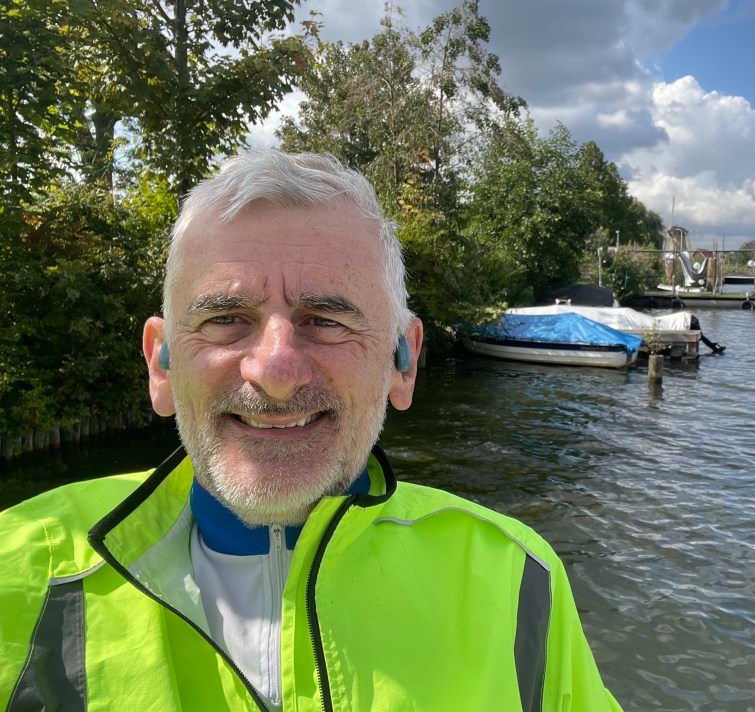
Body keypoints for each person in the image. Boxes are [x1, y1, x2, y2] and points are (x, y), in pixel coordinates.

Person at [0, 151, 623, 711]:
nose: (274, 372)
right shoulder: (19, 569)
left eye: (326, 320)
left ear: (403, 363)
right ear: (161, 365)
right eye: (225, 319)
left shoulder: (518, 581)